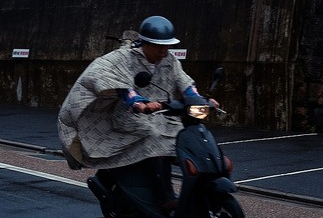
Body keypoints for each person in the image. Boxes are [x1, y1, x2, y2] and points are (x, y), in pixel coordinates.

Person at [57, 16, 218, 208]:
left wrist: (200, 100)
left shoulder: (170, 60)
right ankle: (164, 196)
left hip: (163, 114)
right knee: (155, 136)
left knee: (184, 136)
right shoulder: (124, 58)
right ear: (145, 43)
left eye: (166, 46)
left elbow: (184, 82)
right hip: (129, 115)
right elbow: (116, 82)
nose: (163, 51)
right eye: (158, 46)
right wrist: (138, 102)